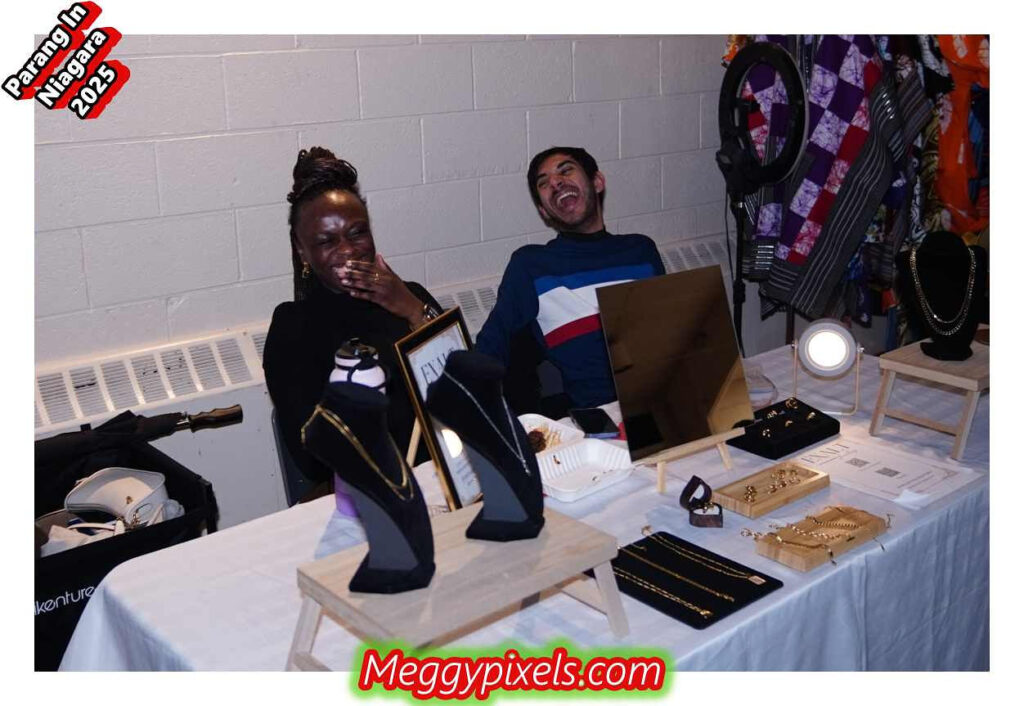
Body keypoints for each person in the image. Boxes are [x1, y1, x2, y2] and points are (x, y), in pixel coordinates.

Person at [263, 147, 442, 493]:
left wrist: (412, 309)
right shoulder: (293, 326)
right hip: (370, 494)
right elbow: (313, 457)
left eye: (357, 232)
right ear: (302, 250)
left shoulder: (411, 296)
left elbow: (471, 392)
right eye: (326, 241)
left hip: (445, 475)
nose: (347, 250)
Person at [474, 146, 665, 415]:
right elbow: (490, 349)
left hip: (662, 406)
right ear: (544, 211)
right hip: (601, 421)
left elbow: (670, 341)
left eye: (566, 170)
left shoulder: (641, 251)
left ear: (597, 182)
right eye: (544, 183)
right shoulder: (532, 266)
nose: (555, 182)